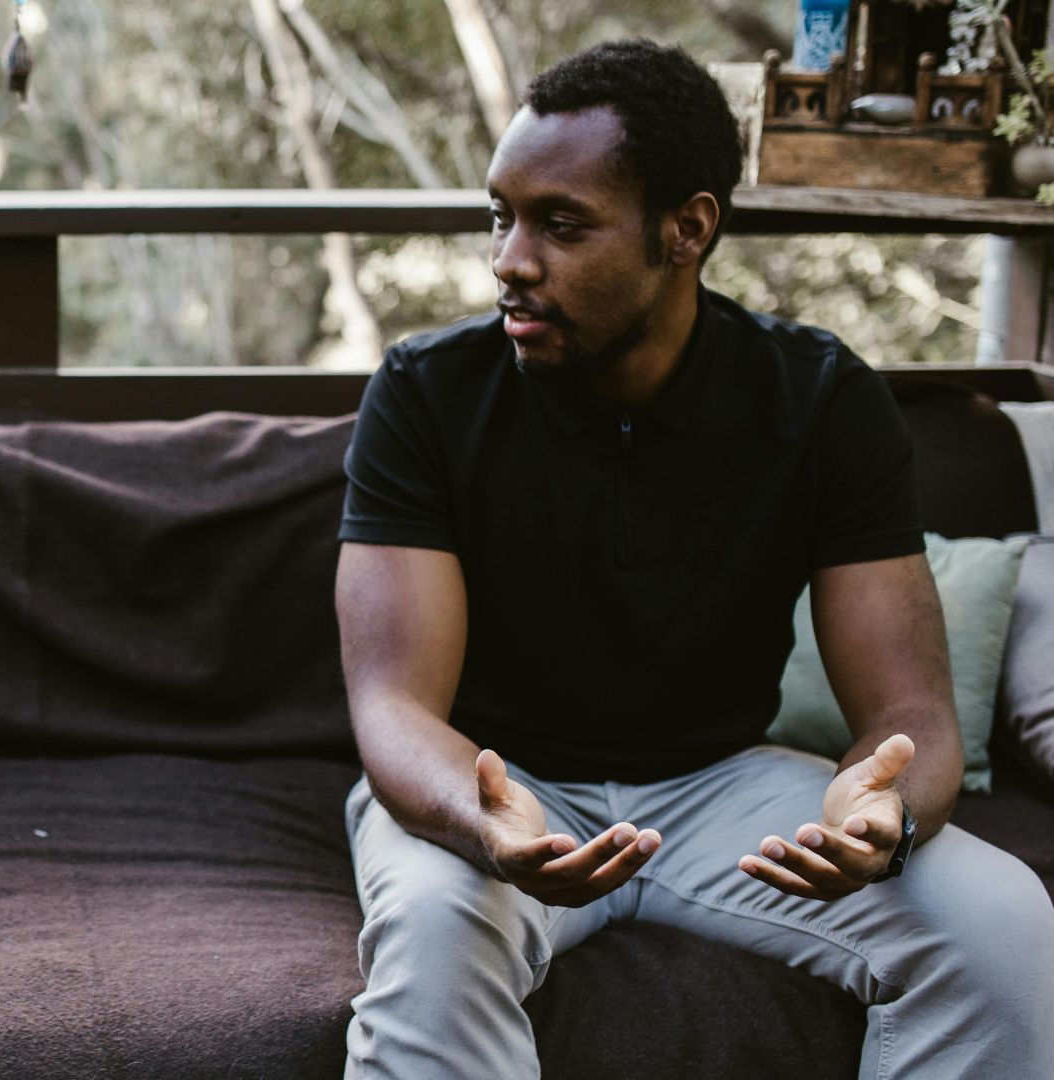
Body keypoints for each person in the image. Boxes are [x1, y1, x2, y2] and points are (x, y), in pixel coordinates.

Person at [336, 39, 1054, 1079]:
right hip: (495, 782)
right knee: (439, 935)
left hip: (727, 790)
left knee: (1002, 924)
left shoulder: (818, 401)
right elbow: (393, 709)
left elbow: (911, 717)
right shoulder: (425, 393)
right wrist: (484, 824)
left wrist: (885, 815)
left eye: (562, 224)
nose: (509, 259)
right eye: (501, 215)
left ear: (688, 229)